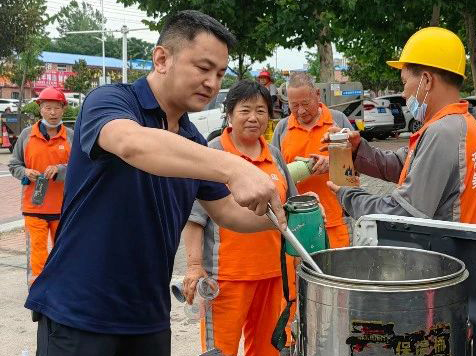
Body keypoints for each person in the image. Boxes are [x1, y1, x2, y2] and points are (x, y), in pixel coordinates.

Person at [24, 11, 286, 356]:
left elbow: (226, 211)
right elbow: (132, 143)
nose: (212, 83)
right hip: (80, 311)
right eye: (203, 68)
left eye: (220, 74)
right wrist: (232, 166)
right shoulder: (111, 101)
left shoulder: (192, 140)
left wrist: (284, 217)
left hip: (148, 317)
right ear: (162, 58)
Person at [323, 27, 476, 232]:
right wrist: (357, 150)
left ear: (426, 80)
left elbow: (403, 214)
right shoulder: (461, 122)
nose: (402, 92)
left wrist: (348, 195)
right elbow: (405, 165)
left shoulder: (443, 132)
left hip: (444, 253)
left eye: (405, 81)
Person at [183, 80, 299, 355]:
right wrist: (193, 266)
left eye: (261, 111)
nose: (253, 118)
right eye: (245, 110)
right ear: (229, 114)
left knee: (270, 349)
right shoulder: (212, 153)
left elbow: (290, 208)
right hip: (227, 278)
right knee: (220, 351)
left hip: (275, 275)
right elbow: (194, 217)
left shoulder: (275, 155)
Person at [272, 72, 354, 248]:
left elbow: (357, 167)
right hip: (297, 222)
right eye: (294, 106)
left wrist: (330, 163)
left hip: (336, 220)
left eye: (305, 104)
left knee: (336, 272)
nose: (300, 111)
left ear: (317, 94)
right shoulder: (282, 128)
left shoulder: (337, 120)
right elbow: (273, 173)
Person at [8, 87, 73, 286]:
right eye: (47, 108)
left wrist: (60, 169)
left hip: (63, 207)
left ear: (63, 110)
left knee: (63, 250)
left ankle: (63, 286)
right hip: (34, 206)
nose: (52, 113)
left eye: (56, 108)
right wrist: (25, 172)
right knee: (37, 251)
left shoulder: (71, 136)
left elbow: (81, 168)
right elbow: (13, 164)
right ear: (40, 109)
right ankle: (39, 288)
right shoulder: (27, 135)